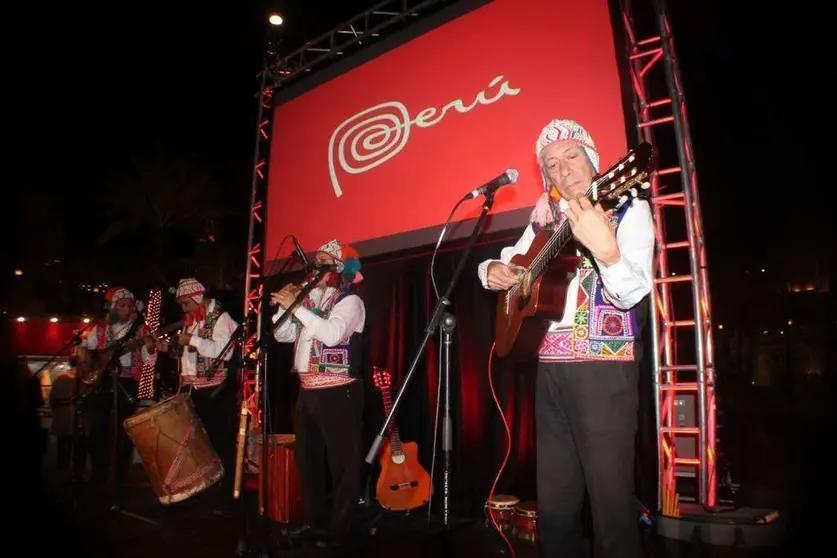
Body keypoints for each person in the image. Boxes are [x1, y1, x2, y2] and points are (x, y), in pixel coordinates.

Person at [477, 119, 654, 558]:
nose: (562, 170)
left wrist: (607, 251)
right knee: (555, 501)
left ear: (594, 162)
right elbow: (510, 261)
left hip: (604, 369)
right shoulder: (544, 222)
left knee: (610, 501)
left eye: (571, 156)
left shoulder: (628, 207)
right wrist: (492, 272)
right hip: (550, 369)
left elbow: (633, 291)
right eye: (551, 164)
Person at [271, 239, 366, 544]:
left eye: (324, 264)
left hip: (339, 392)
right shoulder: (308, 301)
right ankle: (315, 521)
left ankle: (341, 530)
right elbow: (282, 334)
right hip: (307, 391)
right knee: (307, 459)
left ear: (337, 270)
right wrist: (285, 307)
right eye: (315, 263)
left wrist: (297, 306)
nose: (315, 269)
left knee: (342, 464)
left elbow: (333, 334)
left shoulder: (349, 301)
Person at [156, 277, 239, 513]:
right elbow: (189, 357)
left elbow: (225, 352)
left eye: (186, 303)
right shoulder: (192, 322)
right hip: (195, 391)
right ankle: (206, 490)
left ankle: (226, 497)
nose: (183, 309)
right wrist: (168, 348)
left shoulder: (221, 319)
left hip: (217, 392)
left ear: (197, 298)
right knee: (201, 445)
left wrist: (192, 340)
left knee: (220, 444)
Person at [79, 287, 157, 490]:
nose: (127, 308)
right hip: (102, 382)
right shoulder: (100, 328)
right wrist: (91, 368)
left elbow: (150, 359)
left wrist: (149, 347)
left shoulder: (141, 331)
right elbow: (86, 351)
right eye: (122, 305)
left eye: (130, 305)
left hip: (126, 383)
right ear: (114, 308)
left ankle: (120, 478)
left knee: (124, 432)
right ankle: (98, 476)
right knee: (97, 430)